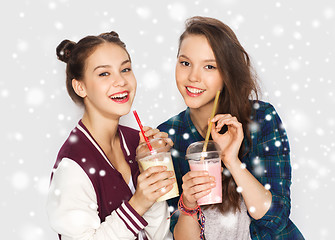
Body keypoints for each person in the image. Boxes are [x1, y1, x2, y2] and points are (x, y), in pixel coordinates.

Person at [158, 16, 304, 239]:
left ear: (226, 74)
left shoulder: (260, 119)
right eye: (185, 63)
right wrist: (187, 204)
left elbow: (274, 221)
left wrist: (232, 161)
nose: (193, 77)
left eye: (209, 66)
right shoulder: (168, 137)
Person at [46, 31, 175, 240]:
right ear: (80, 87)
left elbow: (161, 236)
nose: (121, 81)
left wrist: (149, 165)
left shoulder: (137, 142)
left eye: (125, 69)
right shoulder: (73, 164)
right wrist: (138, 203)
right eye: (104, 74)